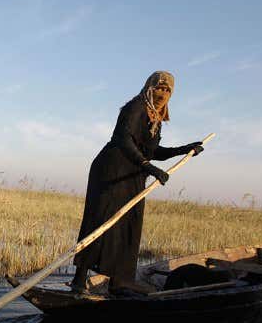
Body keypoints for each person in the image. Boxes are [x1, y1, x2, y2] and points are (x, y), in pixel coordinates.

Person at [70, 71, 203, 294]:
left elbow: (153, 151)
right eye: (159, 88)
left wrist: (184, 150)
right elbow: (123, 139)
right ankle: (78, 280)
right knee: (102, 221)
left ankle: (119, 282)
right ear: (149, 87)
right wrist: (147, 166)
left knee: (128, 225)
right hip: (112, 171)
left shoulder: (157, 119)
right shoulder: (136, 107)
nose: (162, 93)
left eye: (167, 90)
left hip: (134, 173)